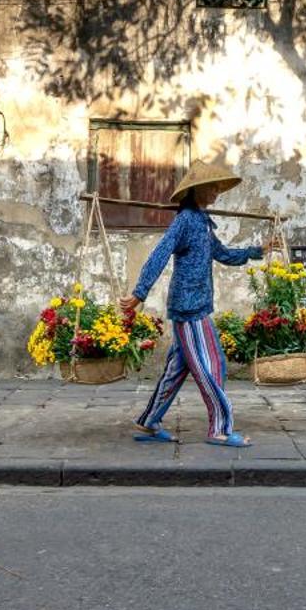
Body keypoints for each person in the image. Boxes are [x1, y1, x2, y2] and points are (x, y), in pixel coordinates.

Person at [121, 161, 263, 447]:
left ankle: (149, 421)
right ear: (197, 189)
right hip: (190, 308)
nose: (216, 192)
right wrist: (139, 294)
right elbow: (160, 254)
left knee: (177, 369)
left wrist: (256, 251)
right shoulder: (185, 220)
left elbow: (222, 253)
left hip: (195, 304)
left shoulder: (202, 222)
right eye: (212, 187)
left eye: (217, 187)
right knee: (212, 364)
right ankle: (220, 429)